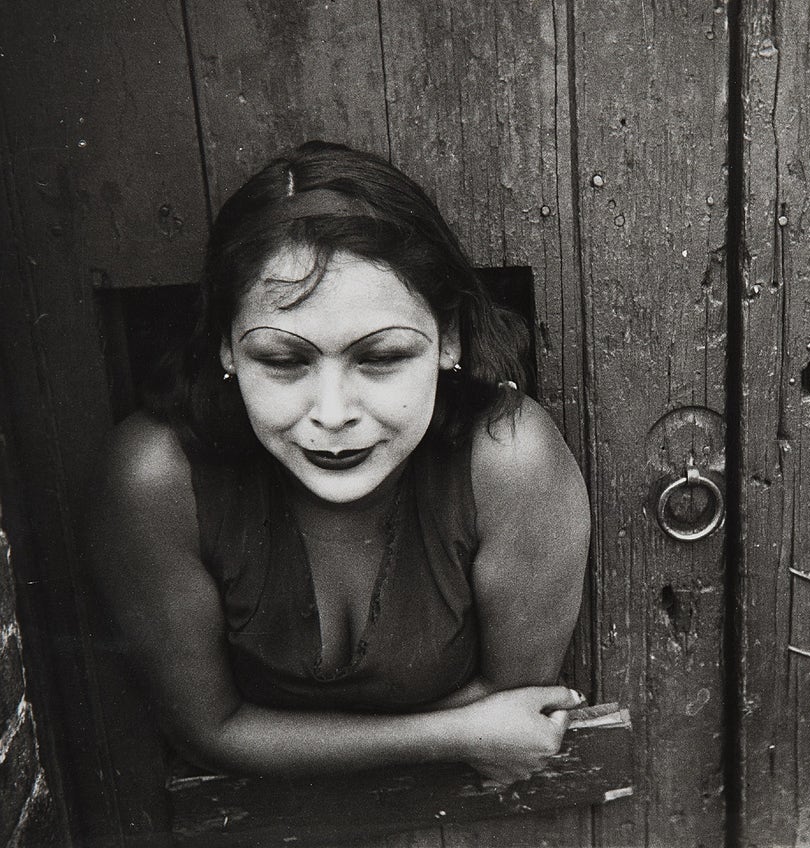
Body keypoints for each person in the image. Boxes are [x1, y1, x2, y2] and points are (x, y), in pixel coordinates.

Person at [87, 141, 591, 785]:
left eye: (381, 358)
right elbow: (207, 730)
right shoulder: (157, 477)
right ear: (226, 348)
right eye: (283, 360)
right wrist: (455, 736)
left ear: (449, 338)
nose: (332, 412)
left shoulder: (509, 460)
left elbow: (516, 704)